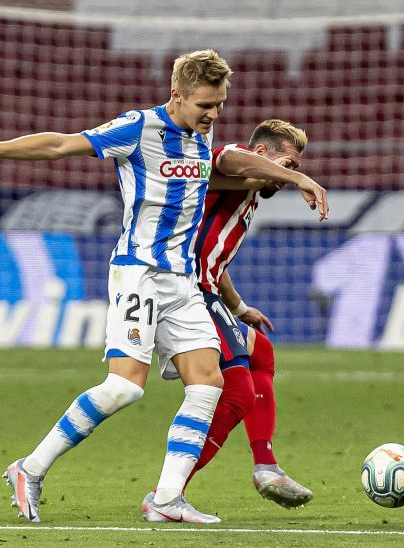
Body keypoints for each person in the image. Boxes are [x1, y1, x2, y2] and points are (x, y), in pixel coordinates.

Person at [0, 49, 328, 524]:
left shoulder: (203, 147)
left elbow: (232, 158)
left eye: (220, 105)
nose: (213, 115)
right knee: (124, 389)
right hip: (138, 272)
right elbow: (60, 145)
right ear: (177, 94)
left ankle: (167, 500)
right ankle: (30, 467)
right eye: (205, 105)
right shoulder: (139, 128)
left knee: (208, 383)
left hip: (182, 281)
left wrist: (294, 177)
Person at [141, 120, 315, 517]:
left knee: (262, 353)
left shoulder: (248, 194)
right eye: (286, 162)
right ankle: (165, 494)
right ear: (263, 153)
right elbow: (229, 159)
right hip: (185, 290)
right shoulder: (227, 165)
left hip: (207, 289)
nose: (289, 174)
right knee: (235, 393)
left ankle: (266, 467)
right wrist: (296, 176)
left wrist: (238, 307)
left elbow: (213, 256)